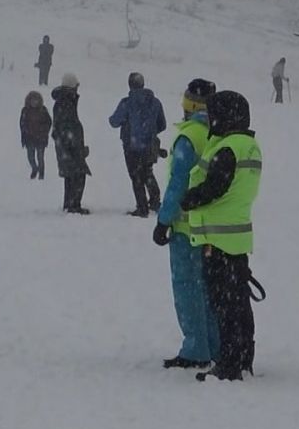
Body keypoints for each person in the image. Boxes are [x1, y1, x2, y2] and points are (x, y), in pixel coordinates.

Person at [180, 90, 263, 381]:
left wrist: (188, 199)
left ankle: (228, 365)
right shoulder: (248, 145)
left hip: (217, 240)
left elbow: (215, 187)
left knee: (225, 306)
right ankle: (243, 357)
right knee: (239, 303)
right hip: (236, 238)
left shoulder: (227, 148)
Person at [151, 79, 220, 369]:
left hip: (185, 228)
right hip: (212, 227)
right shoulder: (216, 135)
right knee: (208, 289)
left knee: (187, 287)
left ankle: (195, 348)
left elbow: (178, 182)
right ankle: (213, 344)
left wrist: (164, 220)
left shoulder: (188, 137)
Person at [108, 71, 167, 217]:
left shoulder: (126, 103)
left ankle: (142, 207)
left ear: (130, 85)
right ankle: (155, 201)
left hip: (131, 147)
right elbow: (162, 124)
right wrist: (150, 133)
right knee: (148, 172)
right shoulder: (155, 102)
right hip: (149, 145)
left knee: (136, 177)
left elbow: (114, 121)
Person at [51, 73, 90, 214]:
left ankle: (69, 204)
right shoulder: (66, 102)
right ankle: (74, 205)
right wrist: (76, 147)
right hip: (70, 147)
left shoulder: (63, 101)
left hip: (65, 146)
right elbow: (68, 127)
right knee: (79, 175)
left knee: (70, 176)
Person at [19, 91, 52, 179]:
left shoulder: (43, 110)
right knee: (30, 157)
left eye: (36, 100)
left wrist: (44, 132)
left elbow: (49, 122)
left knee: (40, 157)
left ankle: (41, 173)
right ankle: (35, 168)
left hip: (41, 139)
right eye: (32, 100)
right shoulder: (25, 111)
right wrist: (24, 136)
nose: (34, 102)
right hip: (29, 138)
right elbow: (22, 124)